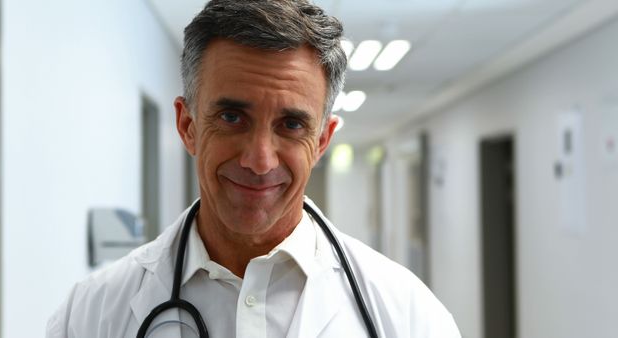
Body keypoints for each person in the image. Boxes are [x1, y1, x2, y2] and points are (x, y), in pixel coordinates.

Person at [47, 0, 461, 337]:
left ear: (321, 142)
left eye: (292, 125)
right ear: (187, 126)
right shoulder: (91, 316)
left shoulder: (409, 316)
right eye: (232, 117)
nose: (259, 161)